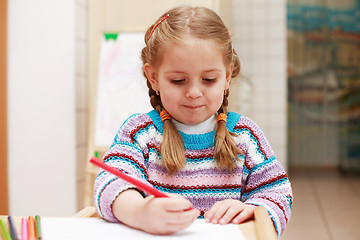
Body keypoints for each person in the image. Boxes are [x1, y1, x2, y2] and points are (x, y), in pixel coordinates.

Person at [94, 6, 292, 236]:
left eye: (208, 79)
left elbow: (279, 194)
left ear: (227, 77)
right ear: (153, 77)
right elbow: (108, 183)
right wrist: (141, 211)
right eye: (179, 81)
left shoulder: (245, 135)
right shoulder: (139, 133)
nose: (194, 92)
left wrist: (252, 210)